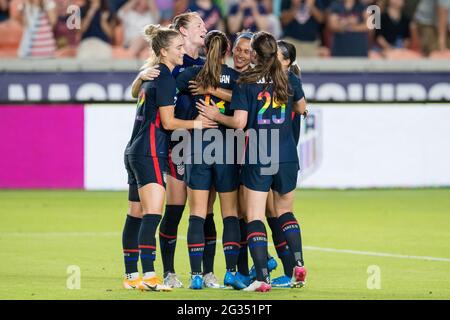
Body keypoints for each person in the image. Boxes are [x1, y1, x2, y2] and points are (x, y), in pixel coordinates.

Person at [198, 31, 307, 292]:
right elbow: (302, 109)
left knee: (255, 215)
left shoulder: (246, 81)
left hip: (260, 153)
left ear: (255, 54)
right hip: (288, 154)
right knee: (284, 212)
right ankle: (298, 265)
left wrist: (215, 114)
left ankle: (261, 278)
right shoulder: (289, 77)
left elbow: (239, 123)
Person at [121, 24, 217, 291]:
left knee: (135, 213)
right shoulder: (163, 77)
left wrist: (139, 77)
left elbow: (134, 93)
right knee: (152, 214)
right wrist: (197, 124)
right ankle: (150, 276)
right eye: (177, 47)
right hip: (151, 149)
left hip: (134, 149)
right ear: (164, 51)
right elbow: (168, 120)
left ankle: (131, 277)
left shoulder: (153, 74)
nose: (181, 51)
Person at [176, 30, 245, 290]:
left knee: (197, 213)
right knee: (229, 214)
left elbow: (162, 88)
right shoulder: (237, 78)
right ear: (227, 50)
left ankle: (196, 275)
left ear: (205, 49)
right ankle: (230, 272)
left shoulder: (191, 74)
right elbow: (246, 102)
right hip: (226, 148)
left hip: (196, 147)